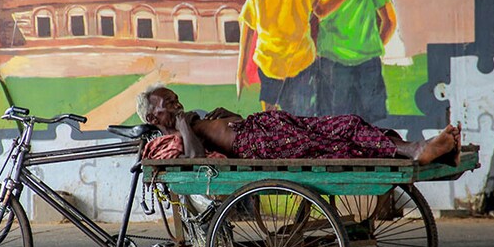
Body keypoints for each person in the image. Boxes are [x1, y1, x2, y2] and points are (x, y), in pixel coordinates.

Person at [137, 85, 461, 166]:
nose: (177, 105)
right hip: (257, 144)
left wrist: (223, 117)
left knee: (347, 123)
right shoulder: (173, 138)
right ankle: (417, 150)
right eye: (170, 104)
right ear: (153, 117)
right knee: (339, 142)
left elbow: (217, 130)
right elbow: (195, 160)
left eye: (176, 99)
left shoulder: (188, 121)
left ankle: (417, 148)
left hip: (264, 127)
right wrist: (184, 124)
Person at [236, 0, 370, 114]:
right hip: (286, 67)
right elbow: (323, 10)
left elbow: (247, 27)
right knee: (286, 121)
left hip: (286, 66)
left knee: (287, 120)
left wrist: (240, 70)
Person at [316, 0, 397, 122]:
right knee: (369, 125)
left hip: (331, 63)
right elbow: (390, 21)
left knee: (334, 126)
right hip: (368, 64)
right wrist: (372, 45)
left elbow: (316, 17)